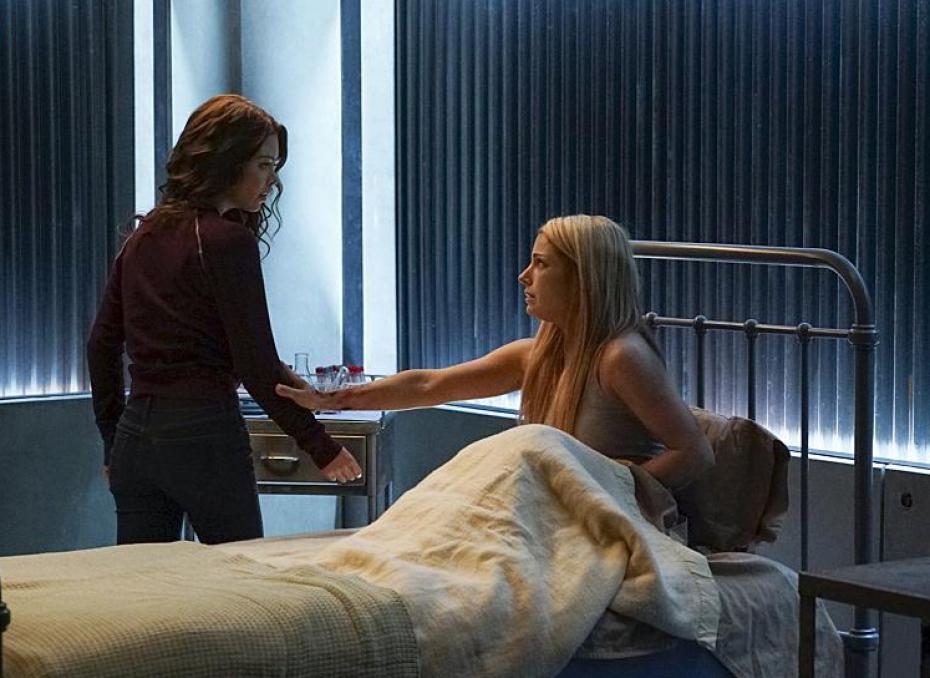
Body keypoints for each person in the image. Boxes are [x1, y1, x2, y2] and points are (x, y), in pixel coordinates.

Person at [87, 94, 361, 545]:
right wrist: (319, 445)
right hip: (205, 436)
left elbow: (101, 346)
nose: (272, 180)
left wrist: (113, 442)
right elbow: (255, 364)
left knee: (144, 583)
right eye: (263, 165)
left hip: (137, 439)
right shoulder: (227, 242)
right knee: (240, 577)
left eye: (275, 167)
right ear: (227, 161)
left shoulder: (143, 236)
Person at [275, 214, 712, 490]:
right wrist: (337, 400)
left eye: (541, 263)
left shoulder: (621, 358)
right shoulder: (537, 356)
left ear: (585, 277)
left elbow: (694, 453)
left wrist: (606, 493)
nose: (524, 276)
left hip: (600, 524)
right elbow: (429, 385)